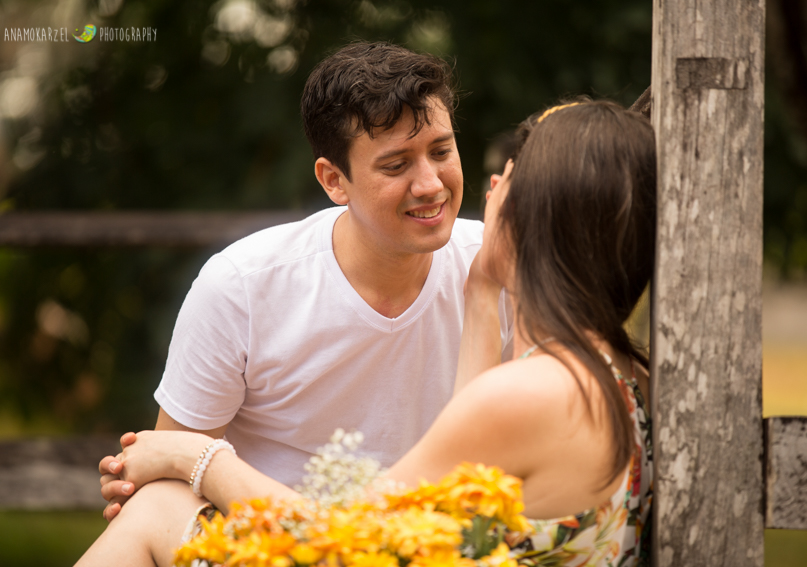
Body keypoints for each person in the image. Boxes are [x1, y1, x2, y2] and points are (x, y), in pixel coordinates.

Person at [78, 98, 656, 567]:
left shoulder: (530, 394)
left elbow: (344, 535)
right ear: (335, 180)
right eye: (397, 163)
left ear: (538, 216)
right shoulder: (617, 372)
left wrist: (199, 456)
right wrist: (482, 293)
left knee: (157, 510)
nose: (490, 189)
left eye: (508, 181)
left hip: (357, 543)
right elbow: (458, 495)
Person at [98, 41, 513, 520]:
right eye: (396, 165)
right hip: (267, 543)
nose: (430, 184)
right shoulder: (242, 287)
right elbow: (171, 473)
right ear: (333, 180)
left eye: (441, 150)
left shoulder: (497, 267)